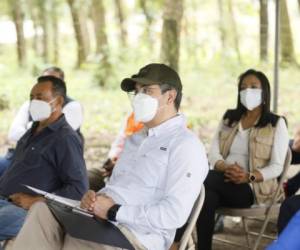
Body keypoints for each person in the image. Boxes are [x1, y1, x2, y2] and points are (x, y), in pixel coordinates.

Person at [11, 63, 209, 250]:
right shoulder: (135, 140)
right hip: (102, 220)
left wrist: (114, 211)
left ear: (170, 96)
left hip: (138, 236)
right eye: (137, 91)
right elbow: (118, 188)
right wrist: (96, 197)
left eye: (147, 91)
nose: (139, 97)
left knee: (82, 234)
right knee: (41, 211)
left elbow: (174, 214)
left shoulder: (185, 145)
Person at [189, 69, 288, 250]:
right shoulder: (230, 118)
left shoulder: (275, 123)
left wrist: (248, 176)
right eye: (243, 88)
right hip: (222, 179)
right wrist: (225, 167)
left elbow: (277, 167)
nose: (247, 91)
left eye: (253, 87)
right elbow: (213, 153)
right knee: (207, 197)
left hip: (251, 189)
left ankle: (175, 241)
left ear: (264, 91)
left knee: (195, 181)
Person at [0, 75, 88, 241]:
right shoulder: (32, 130)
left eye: (40, 98)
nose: (34, 102)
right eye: (31, 98)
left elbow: (78, 189)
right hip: (5, 200)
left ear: (59, 101)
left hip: (27, 211)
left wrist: (36, 201)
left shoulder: (64, 138)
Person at [0, 66, 83, 176]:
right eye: (43, 80)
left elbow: (55, 137)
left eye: (53, 81)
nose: (46, 84)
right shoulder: (29, 104)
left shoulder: (73, 106)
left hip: (42, 162)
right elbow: (13, 133)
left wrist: (29, 128)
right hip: (16, 157)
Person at [88, 112, 143, 191]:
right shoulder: (134, 117)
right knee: (86, 178)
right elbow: (119, 143)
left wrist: (123, 165)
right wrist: (114, 159)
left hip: (134, 181)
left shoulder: (161, 130)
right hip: (113, 171)